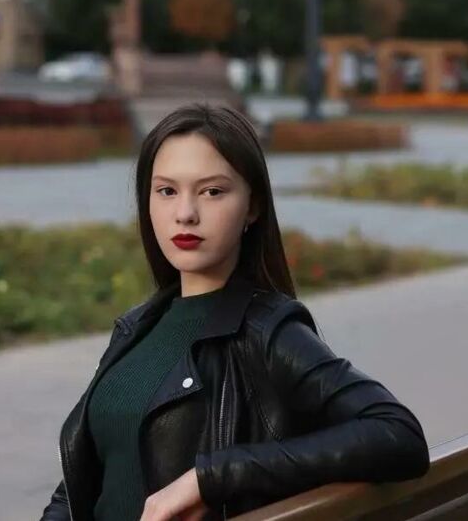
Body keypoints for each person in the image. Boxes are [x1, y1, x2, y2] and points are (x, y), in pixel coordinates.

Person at [39, 103, 430, 521]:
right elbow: (80, 484)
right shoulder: (136, 328)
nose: (185, 213)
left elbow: (398, 433)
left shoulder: (267, 331)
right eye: (167, 191)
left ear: (253, 206)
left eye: (212, 191)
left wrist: (212, 478)